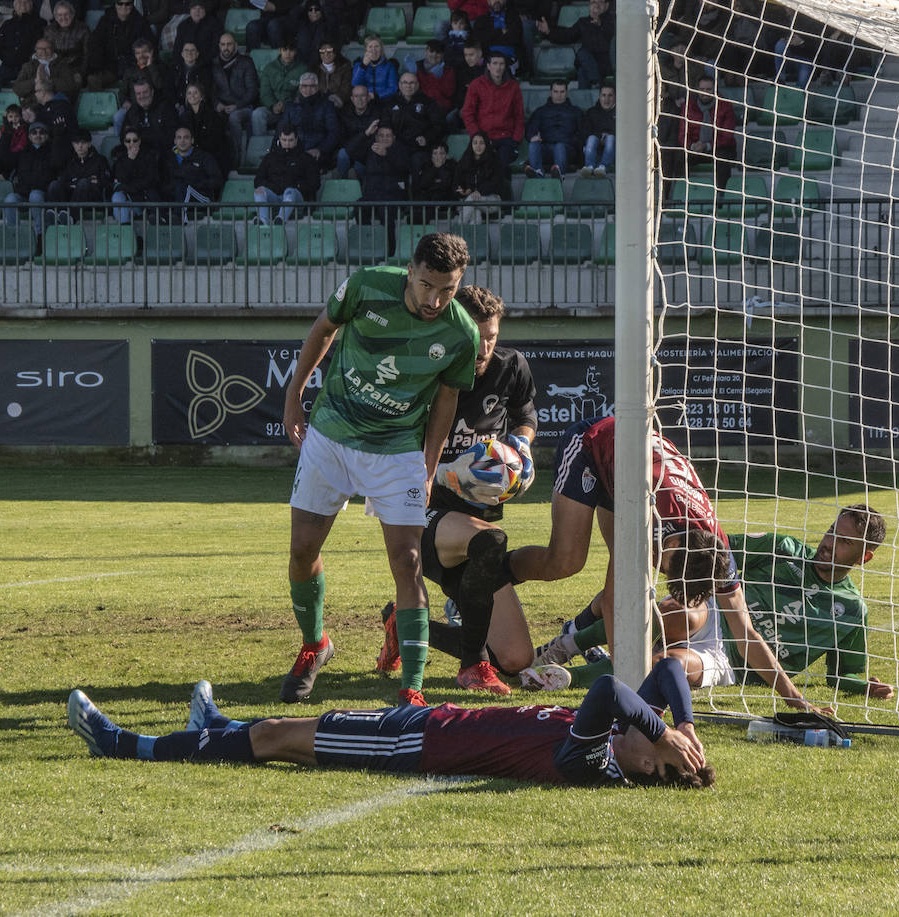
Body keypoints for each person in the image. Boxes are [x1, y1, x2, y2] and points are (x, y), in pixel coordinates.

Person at [507, 415, 831, 715]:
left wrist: (796, 700)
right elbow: (613, 601)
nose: (661, 572)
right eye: (667, 568)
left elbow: (745, 632)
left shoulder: (717, 552)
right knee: (565, 561)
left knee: (631, 593)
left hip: (635, 470)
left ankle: (571, 644)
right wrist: (628, 684)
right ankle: (498, 574)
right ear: (672, 544)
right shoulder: (647, 526)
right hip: (595, 445)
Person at [280, 232, 479, 707]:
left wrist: (428, 469)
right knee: (302, 550)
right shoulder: (366, 286)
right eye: (428, 285)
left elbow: (446, 402)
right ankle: (315, 646)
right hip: (331, 435)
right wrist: (294, 397)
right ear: (409, 271)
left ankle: (412, 686)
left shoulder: (461, 334)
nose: (435, 300)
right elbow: (322, 329)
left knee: (408, 562)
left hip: (397, 451)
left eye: (447, 289)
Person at [68, 659, 713, 787]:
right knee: (291, 732)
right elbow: (665, 675)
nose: (646, 724)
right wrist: (685, 727)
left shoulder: (591, 762)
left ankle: (126, 744)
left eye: (650, 740)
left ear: (647, 765)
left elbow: (610, 688)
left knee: (278, 740)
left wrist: (662, 735)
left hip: (416, 744)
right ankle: (215, 723)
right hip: (430, 721)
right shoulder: (618, 745)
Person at [375, 285, 541, 696]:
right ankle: (472, 667)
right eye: (476, 336)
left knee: (517, 658)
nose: (484, 347)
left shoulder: (511, 366)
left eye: (492, 337)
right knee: (490, 542)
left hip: (475, 524)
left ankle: (404, 625)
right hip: (423, 513)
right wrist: (446, 472)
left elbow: (525, 415)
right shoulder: (423, 371)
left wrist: (522, 448)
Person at [660, 505, 895, 700]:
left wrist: (864, 687)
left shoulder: (853, 611)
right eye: (832, 531)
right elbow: (720, 549)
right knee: (679, 616)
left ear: (864, 557)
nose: (829, 543)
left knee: (672, 665)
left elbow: (843, 675)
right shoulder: (784, 549)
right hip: (718, 613)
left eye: (844, 541)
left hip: (731, 662)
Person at [460, 51, 522, 168]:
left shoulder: (513, 87)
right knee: (475, 165)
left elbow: (519, 115)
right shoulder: (476, 85)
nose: (498, 67)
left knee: (501, 165)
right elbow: (468, 112)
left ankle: (504, 186)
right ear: (488, 66)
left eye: (501, 64)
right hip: (482, 137)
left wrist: (515, 140)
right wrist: (476, 135)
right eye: (495, 63)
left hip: (506, 138)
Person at [535, 0, 613, 88]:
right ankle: (595, 84)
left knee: (581, 55)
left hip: (604, 64)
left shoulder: (613, 22)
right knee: (582, 66)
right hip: (587, 63)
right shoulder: (583, 22)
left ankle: (595, 83)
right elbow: (566, 36)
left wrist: (599, 24)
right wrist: (548, 31)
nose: (596, 5)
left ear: (607, 5)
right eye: (593, 2)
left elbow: (609, 35)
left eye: (600, 2)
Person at [2, 120, 62, 235]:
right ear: (29, 136)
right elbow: (4, 158)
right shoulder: (22, 153)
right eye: (34, 132)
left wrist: (58, 139)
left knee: (35, 196)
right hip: (23, 193)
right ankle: (14, 235)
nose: (38, 135)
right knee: (10, 199)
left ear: (47, 136)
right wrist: (7, 134)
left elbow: (58, 163)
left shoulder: (52, 151)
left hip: (43, 194)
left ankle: (41, 234)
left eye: (42, 132)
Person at [679, 72, 736, 192]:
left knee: (723, 159)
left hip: (719, 148)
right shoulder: (688, 106)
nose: (705, 93)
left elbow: (727, 136)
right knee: (678, 157)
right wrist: (692, 146)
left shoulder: (725, 106)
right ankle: (680, 194)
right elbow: (683, 133)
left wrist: (707, 145)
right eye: (702, 89)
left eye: (708, 89)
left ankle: (721, 197)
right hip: (696, 147)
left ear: (715, 90)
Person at [252, 125, 319, 223]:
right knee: (260, 191)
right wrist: (274, 187)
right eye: (284, 140)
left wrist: (297, 186)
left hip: (297, 202)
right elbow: (258, 181)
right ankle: (263, 220)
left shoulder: (306, 158)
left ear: (296, 139)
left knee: (290, 191)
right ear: (280, 138)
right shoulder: (269, 158)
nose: (287, 143)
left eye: (290, 140)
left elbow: (315, 183)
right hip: (274, 198)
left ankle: (281, 220)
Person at [382, 70, 444, 174]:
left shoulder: (428, 102)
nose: (408, 86)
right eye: (405, 83)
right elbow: (384, 125)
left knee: (418, 162)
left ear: (418, 85)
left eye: (412, 83)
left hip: (419, 148)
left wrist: (427, 138)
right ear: (399, 85)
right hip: (397, 146)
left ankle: (416, 190)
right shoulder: (390, 102)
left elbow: (439, 126)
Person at [211, 31, 259, 163]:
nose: (226, 47)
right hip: (222, 107)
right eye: (223, 44)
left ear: (236, 46)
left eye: (229, 44)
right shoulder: (213, 64)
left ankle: (237, 158)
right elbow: (211, 91)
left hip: (243, 106)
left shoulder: (246, 62)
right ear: (219, 46)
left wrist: (237, 105)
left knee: (234, 117)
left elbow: (252, 90)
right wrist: (217, 104)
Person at [85, 0, 152, 91]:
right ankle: (102, 104)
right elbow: (95, 43)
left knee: (139, 83)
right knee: (93, 79)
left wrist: (136, 66)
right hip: (110, 66)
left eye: (127, 3)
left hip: (133, 66)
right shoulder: (106, 20)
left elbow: (148, 48)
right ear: (115, 4)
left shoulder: (141, 23)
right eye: (120, 3)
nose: (123, 7)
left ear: (132, 4)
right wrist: (97, 65)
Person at [47, 127, 110, 222]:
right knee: (54, 185)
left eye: (83, 143)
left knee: (83, 183)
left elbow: (106, 182)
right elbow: (63, 181)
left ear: (89, 144)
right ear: (73, 145)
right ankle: (57, 215)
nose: (80, 146)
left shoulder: (100, 160)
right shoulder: (69, 161)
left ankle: (71, 217)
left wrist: (80, 183)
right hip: (72, 196)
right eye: (77, 143)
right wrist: (77, 184)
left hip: (92, 199)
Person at [524, 79, 582, 178]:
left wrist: (569, 141)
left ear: (567, 93)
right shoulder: (541, 111)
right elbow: (530, 129)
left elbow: (582, 133)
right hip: (546, 148)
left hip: (567, 149)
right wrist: (532, 137)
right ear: (550, 93)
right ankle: (538, 173)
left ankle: (558, 174)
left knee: (559, 146)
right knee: (533, 145)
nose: (559, 95)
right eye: (555, 92)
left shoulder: (576, 111)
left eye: (562, 92)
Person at [253, 38, 306, 138]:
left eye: (291, 50)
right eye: (285, 50)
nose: (288, 53)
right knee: (257, 114)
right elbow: (265, 92)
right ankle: (260, 146)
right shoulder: (269, 68)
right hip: (273, 109)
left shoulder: (302, 69)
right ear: (280, 50)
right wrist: (273, 105)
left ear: (296, 51)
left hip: (293, 109)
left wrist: (287, 105)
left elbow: (302, 93)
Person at [165, 123, 222, 215]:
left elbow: (217, 181)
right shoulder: (168, 158)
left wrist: (194, 183)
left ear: (192, 140)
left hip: (202, 198)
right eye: (179, 138)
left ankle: (177, 217)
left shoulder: (204, 157)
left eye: (186, 137)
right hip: (177, 198)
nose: (182, 141)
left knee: (184, 187)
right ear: (175, 141)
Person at [110, 126, 163, 224]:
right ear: (124, 142)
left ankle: (126, 234)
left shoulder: (149, 157)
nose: (131, 143)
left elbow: (150, 180)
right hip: (129, 200)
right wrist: (130, 160)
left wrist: (127, 186)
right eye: (128, 141)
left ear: (140, 141)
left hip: (144, 200)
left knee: (122, 204)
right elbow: (121, 178)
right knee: (117, 197)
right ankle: (127, 232)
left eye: (135, 140)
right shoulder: (120, 158)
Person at [0, 0, 40, 92]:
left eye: (26, 2)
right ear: (15, 6)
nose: (22, 5)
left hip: (28, 68)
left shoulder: (39, 24)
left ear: (31, 5)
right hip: (7, 67)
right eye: (19, 2)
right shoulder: (7, 24)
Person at [454, 130, 509, 221]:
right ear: (471, 145)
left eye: (481, 143)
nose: (478, 146)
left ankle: (457, 231)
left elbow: (496, 183)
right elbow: (456, 183)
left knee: (472, 199)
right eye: (475, 143)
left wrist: (479, 191)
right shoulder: (464, 161)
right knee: (476, 215)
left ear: (486, 144)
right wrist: (462, 190)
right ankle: (475, 235)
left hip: (491, 200)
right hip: (468, 200)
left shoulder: (494, 160)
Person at [179, 81, 232, 174]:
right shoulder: (184, 117)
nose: (192, 95)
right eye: (189, 93)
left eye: (195, 92)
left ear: (202, 96)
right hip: (192, 156)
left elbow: (216, 140)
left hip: (210, 157)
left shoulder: (212, 115)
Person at [119, 77, 178, 154]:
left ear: (152, 92)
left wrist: (142, 137)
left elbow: (172, 136)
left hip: (161, 154)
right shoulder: (132, 111)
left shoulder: (166, 108)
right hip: (137, 154)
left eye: (145, 92)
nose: (142, 96)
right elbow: (123, 136)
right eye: (138, 93)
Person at [13, 37, 78, 106]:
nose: (44, 51)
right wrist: (35, 81)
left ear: (52, 49)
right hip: (33, 104)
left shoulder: (62, 65)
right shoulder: (28, 66)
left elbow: (70, 85)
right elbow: (17, 88)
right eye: (40, 49)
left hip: (56, 103)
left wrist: (49, 81)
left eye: (47, 48)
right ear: (35, 50)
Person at [470, 0, 527, 74]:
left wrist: (491, 37)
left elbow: (514, 39)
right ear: (488, 2)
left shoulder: (514, 18)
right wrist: (500, 32)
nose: (496, 1)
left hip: (510, 60)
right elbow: (480, 41)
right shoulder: (481, 20)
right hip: (488, 60)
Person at [411, 139, 457, 221]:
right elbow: (423, 184)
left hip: (445, 200)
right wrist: (434, 169)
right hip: (428, 200)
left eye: (441, 153)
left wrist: (440, 168)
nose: (438, 156)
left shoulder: (453, 166)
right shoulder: (426, 166)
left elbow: (447, 185)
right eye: (435, 153)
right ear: (431, 156)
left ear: (446, 156)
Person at [43, 1, 90, 73]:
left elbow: (87, 55)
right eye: (60, 15)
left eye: (66, 14)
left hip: (75, 69)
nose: (63, 18)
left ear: (72, 14)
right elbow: (45, 53)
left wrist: (82, 73)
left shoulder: (83, 29)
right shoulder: (49, 30)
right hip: (54, 69)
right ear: (55, 17)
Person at [579, 82, 615, 176]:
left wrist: (607, 135)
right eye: (603, 95)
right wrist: (600, 136)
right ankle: (589, 167)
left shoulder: (620, 112)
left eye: (610, 95)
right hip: (595, 147)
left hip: (613, 149)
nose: (606, 99)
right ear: (599, 96)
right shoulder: (591, 112)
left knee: (611, 138)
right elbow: (585, 132)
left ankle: (603, 167)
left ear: (615, 97)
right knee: (591, 138)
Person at [411, 38, 456, 112]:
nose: (434, 55)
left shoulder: (448, 69)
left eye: (438, 52)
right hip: (420, 104)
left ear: (443, 54)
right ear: (426, 51)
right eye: (431, 51)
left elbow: (449, 93)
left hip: (440, 105)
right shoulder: (417, 66)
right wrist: (412, 75)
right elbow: (414, 90)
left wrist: (438, 78)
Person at [172, 0, 222, 65]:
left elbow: (215, 48)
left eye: (200, 8)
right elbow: (177, 49)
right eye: (194, 8)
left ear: (204, 10)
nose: (197, 11)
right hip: (185, 63)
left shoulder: (215, 24)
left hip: (205, 63)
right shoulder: (183, 25)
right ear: (190, 10)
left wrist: (201, 62)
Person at [350, 34, 397, 101]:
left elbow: (393, 88)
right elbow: (355, 84)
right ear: (366, 49)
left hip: (384, 101)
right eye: (370, 47)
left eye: (376, 46)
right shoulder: (359, 65)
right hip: (365, 101)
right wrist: (363, 66)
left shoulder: (389, 66)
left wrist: (376, 95)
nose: (373, 50)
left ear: (381, 48)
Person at [312, 40, 352, 110]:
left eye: (329, 51)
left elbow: (346, 89)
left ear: (335, 52)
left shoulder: (345, 67)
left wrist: (334, 101)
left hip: (338, 104)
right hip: (318, 104)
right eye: (322, 51)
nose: (326, 54)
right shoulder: (314, 68)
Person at [0, 103, 28, 179]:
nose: (13, 119)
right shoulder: (5, 128)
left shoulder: (23, 129)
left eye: (16, 116)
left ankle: (4, 176)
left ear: (20, 117)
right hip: (7, 152)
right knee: (0, 162)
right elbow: (3, 142)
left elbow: (22, 143)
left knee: (9, 162)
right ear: (7, 118)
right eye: (10, 117)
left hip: (17, 153)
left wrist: (12, 151)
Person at [170, 40, 207, 106]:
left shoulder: (204, 70)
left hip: (198, 105)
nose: (189, 53)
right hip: (177, 105)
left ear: (197, 54)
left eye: (192, 50)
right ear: (182, 54)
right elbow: (169, 90)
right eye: (186, 50)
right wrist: (176, 104)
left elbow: (205, 91)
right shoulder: (174, 69)